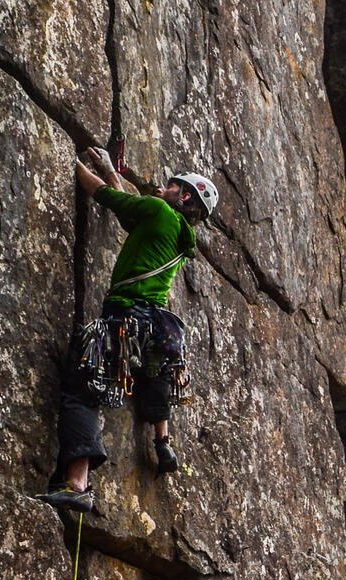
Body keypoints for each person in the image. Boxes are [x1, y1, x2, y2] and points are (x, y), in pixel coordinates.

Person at [38, 147, 219, 512]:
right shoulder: (177, 235)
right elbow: (128, 210)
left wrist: (63, 152)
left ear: (183, 196)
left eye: (169, 186)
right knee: (150, 378)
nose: (159, 188)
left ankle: (77, 484)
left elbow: (106, 196)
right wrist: (109, 168)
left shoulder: (157, 212)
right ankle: (162, 439)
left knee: (82, 390)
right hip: (151, 328)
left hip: (124, 319)